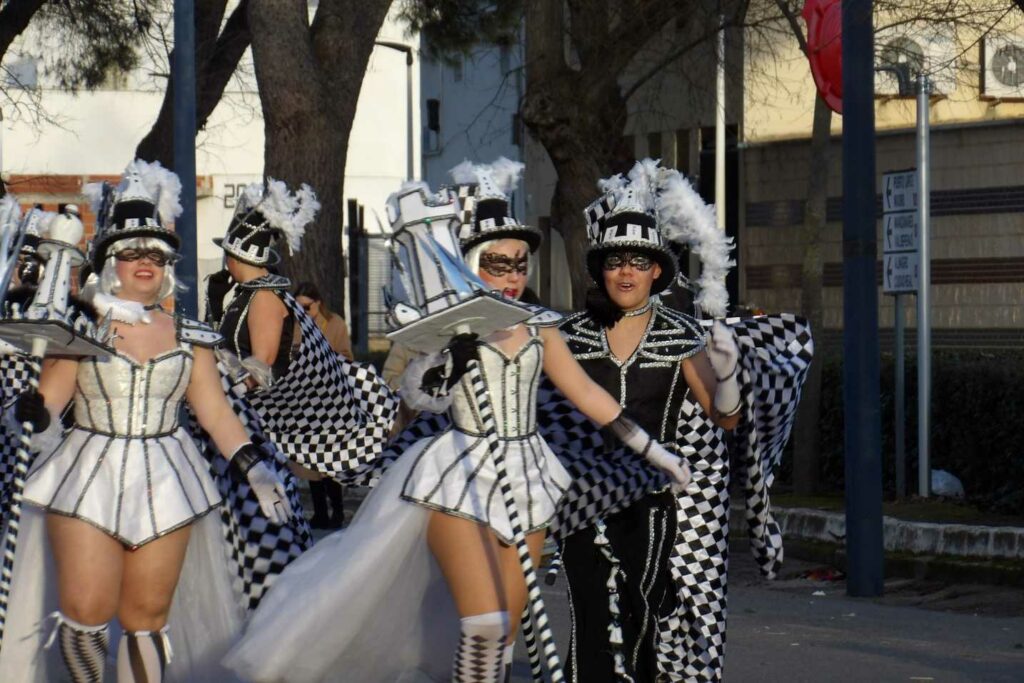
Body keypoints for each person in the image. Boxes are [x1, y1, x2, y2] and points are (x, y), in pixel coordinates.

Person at [224, 161, 690, 682]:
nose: (512, 276)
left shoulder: (541, 328)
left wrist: (654, 451)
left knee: (505, 631)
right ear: (471, 262)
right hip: (461, 473)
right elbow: (411, 402)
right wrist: (439, 371)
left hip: (528, 475)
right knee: (486, 622)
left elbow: (585, 394)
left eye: (519, 264)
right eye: (498, 264)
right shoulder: (449, 327)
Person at [0, 160, 295, 682]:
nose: (145, 263)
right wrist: (32, 411)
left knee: (146, 620)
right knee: (85, 611)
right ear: (109, 263)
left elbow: (214, 411)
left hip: (168, 477)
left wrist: (253, 468)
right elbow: (48, 401)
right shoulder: (80, 327)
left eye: (155, 255)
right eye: (132, 253)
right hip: (87, 476)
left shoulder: (191, 335)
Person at [205, 180, 396, 485]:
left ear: (233, 255)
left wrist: (221, 398)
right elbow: (221, 349)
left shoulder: (264, 297)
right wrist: (214, 304)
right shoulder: (252, 293)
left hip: (253, 423)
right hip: (242, 418)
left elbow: (261, 365)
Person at [294, 281, 352, 527]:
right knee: (309, 462)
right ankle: (319, 513)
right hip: (304, 399)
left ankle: (337, 512)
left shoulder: (336, 323)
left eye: (306, 307)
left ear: (318, 303)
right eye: (298, 308)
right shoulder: (295, 325)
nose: (303, 312)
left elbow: (347, 357)